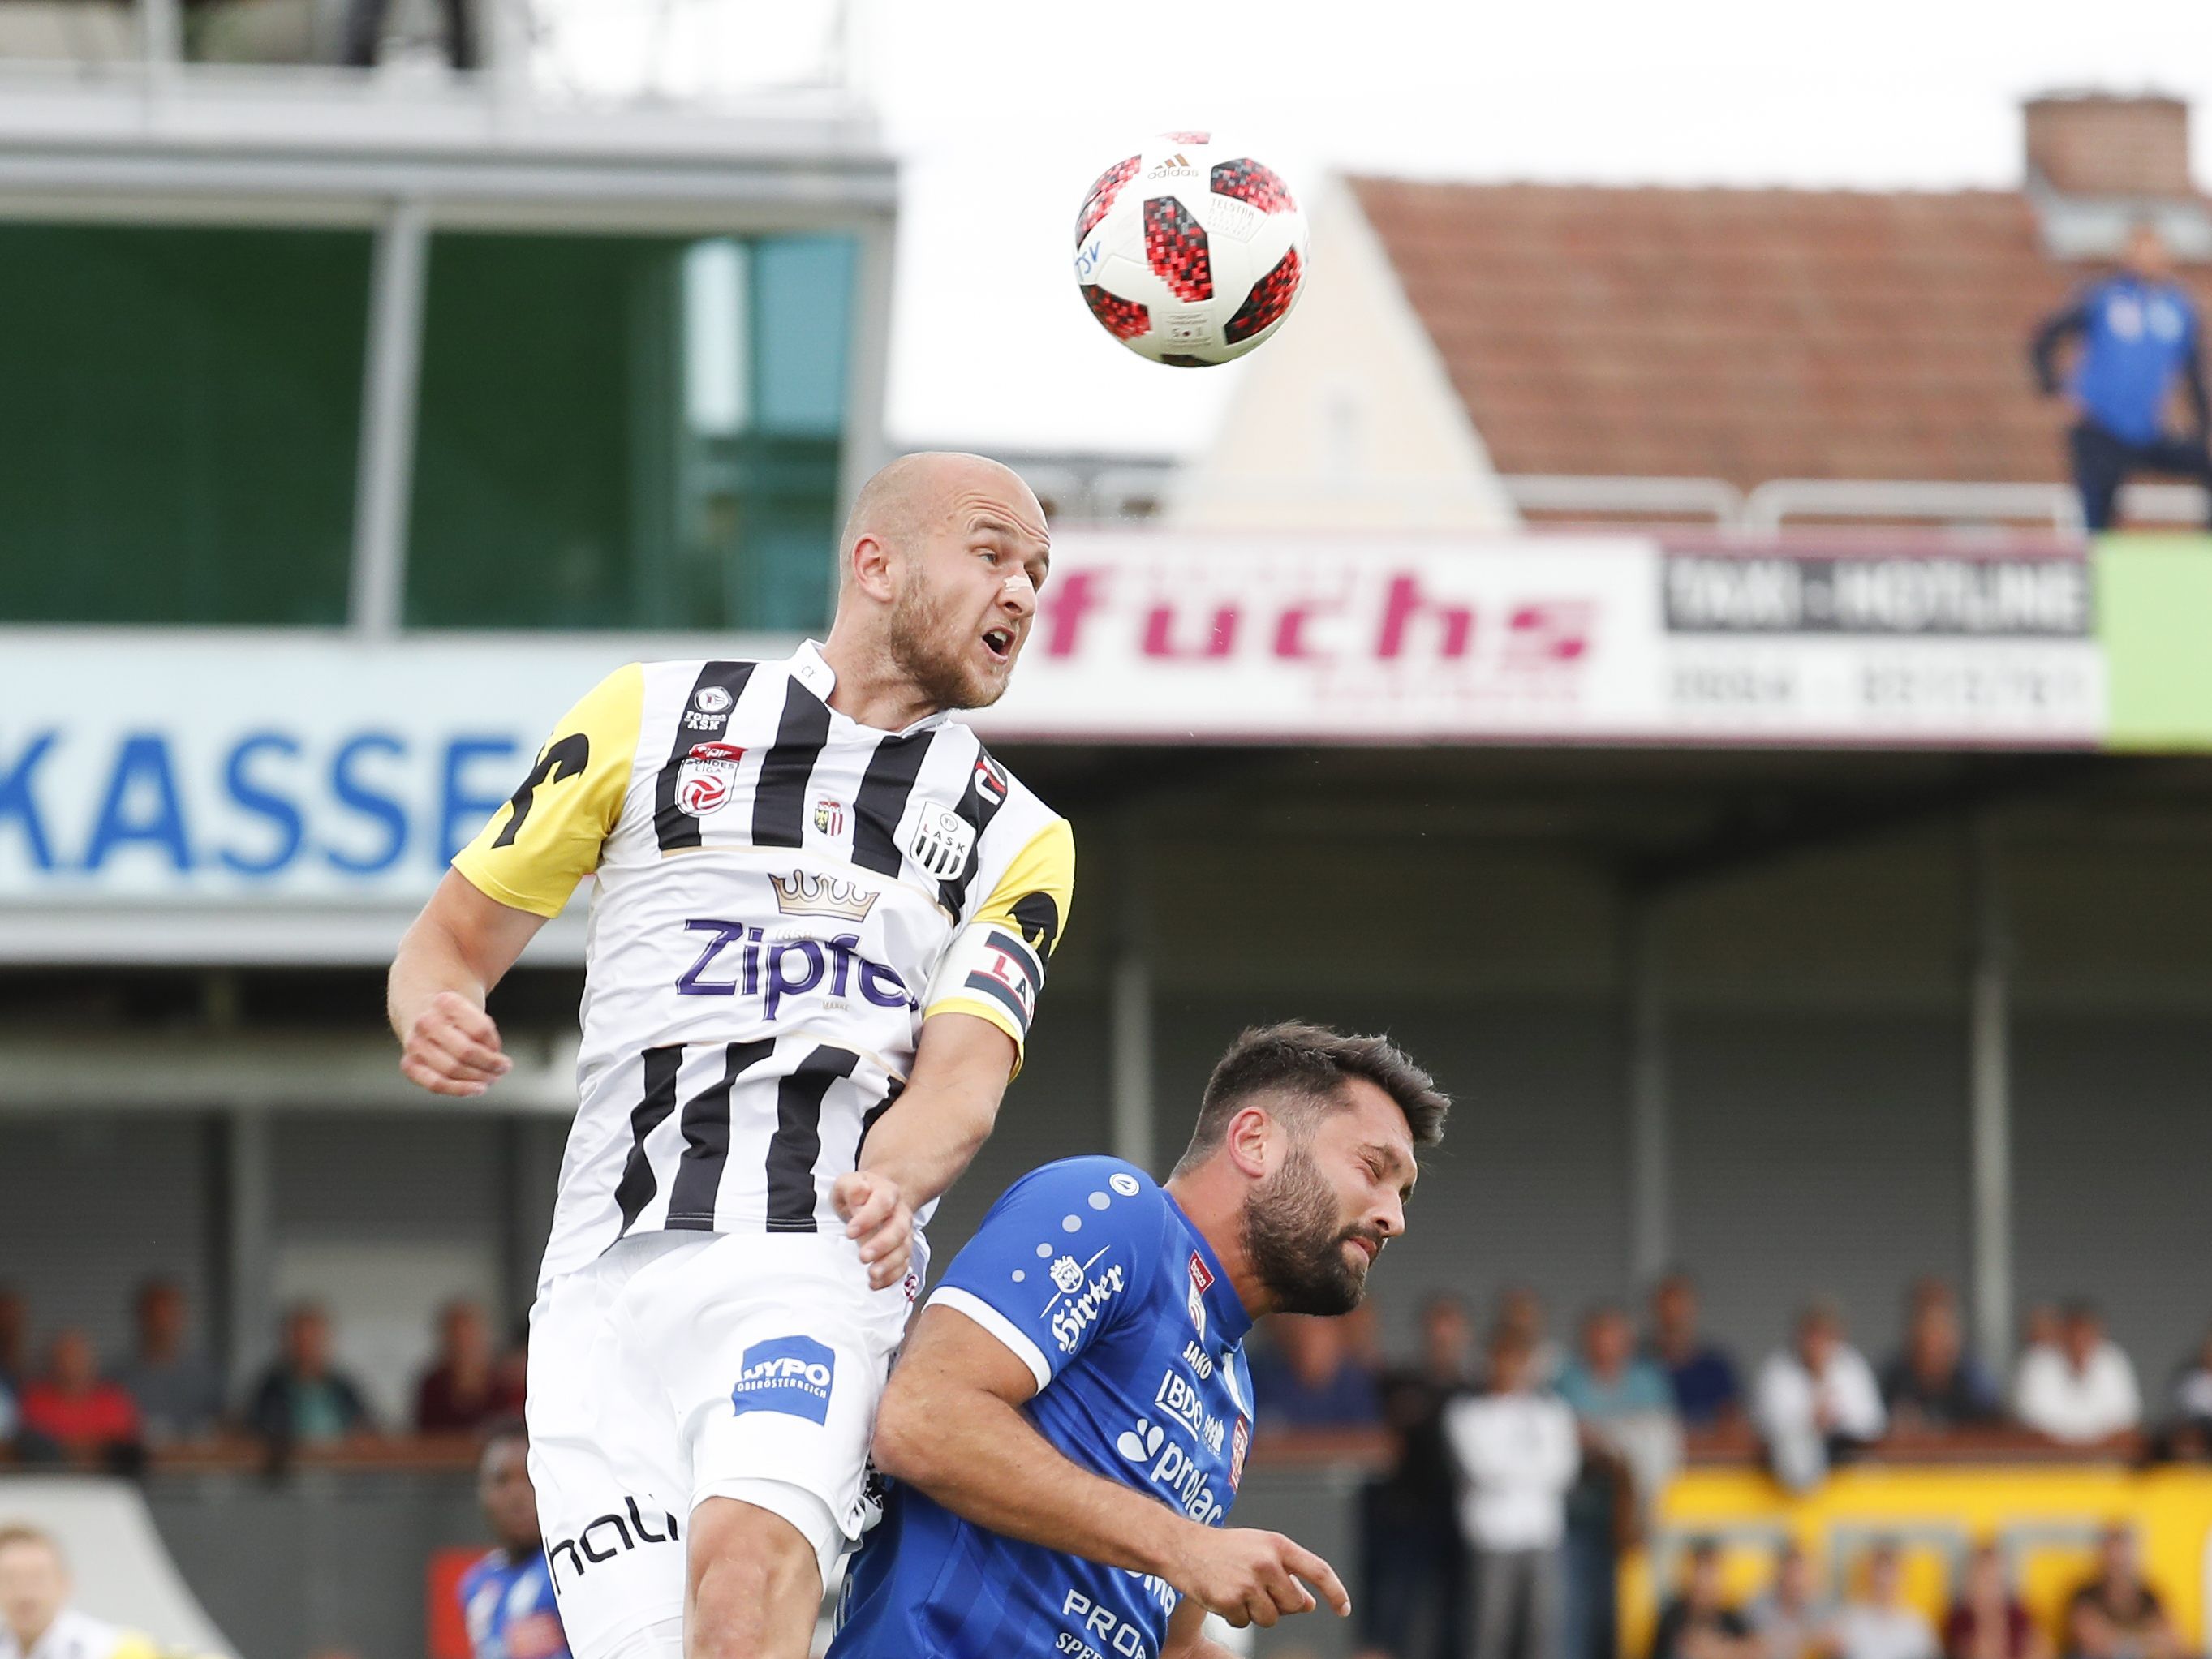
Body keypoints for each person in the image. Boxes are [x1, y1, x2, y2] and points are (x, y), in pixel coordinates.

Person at [390, 452, 1074, 1659]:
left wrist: (890, 1178)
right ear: (875, 563)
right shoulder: (650, 716)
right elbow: (448, 943)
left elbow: (961, 1079)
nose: (1021, 590)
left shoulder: (1013, 834)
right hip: (599, 1292)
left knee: (744, 1583)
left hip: (807, 1261)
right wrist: (432, 1005)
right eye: (990, 554)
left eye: (1036, 570)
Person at [829, 1022, 1450, 1658]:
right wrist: (1184, 1544)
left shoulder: (1235, 1392)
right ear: (1254, 1140)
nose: (1393, 1218)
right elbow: (920, 1418)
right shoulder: (1118, 1211)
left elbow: (1168, 1643)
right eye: (1373, 1169)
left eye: (1402, 1195)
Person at [2030, 221, 2212, 533]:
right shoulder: (2103, 296)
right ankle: (2097, 570)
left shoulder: (2178, 308)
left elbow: (2193, 375)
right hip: (2099, 427)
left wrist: (2204, 427)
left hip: (2146, 430)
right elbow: (2047, 335)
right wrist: (2054, 387)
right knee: (2099, 515)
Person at [1445, 1326, 1578, 1659]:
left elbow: (1563, 1470)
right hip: (1492, 1538)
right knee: (1488, 1635)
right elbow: (1483, 1469)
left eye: (1519, 1359)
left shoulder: (1551, 1411)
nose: (1511, 1367)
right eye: (1503, 1358)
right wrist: (1532, 1468)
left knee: (1543, 1636)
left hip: (1541, 1536)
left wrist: (1513, 1468)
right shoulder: (1467, 1413)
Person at [1556, 1306, 1681, 1659]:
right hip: (1579, 1519)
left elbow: (1661, 1441)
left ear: (1627, 1341)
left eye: (1613, 1335)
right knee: (1576, 1621)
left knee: (1627, 1622)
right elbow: (1567, 1437)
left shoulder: (1648, 1380)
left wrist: (1610, 1441)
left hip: (1632, 1525)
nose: (1605, 1344)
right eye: (1598, 1335)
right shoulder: (1568, 1379)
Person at [1357, 1294, 1475, 1659]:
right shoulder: (1398, 1383)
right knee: (1392, 1610)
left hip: (1459, 1518)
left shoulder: (1475, 1390)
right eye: (1436, 1332)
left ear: (1463, 1336)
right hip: (1403, 1517)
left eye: (1450, 1332)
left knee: (1458, 1614)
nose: (1442, 1340)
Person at [460, 1422, 572, 1659]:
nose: (516, 1497)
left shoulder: (573, 1569)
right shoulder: (475, 1584)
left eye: (531, 1477)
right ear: (482, 1491)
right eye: (502, 1481)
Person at [1754, 1303, 1886, 1489]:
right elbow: (1767, 1427)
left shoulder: (1850, 1364)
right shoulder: (1777, 1369)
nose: (1817, 1342)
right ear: (1798, 1336)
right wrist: (1810, 1419)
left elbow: (1873, 1425)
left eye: (1825, 1334)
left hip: (1846, 1471)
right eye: (1812, 1334)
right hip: (1790, 1479)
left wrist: (1835, 1419)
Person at [0, 1525, 158, 1659]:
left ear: (64, 1583)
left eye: (37, 1578)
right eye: (10, 1580)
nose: (24, 1593)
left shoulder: (115, 1650)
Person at [107, 1278, 224, 1446]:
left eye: (171, 1314)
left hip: (200, 1465)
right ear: (141, 1319)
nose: (163, 1325)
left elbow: (227, 1427)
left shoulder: (206, 1374)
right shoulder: (118, 1378)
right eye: (156, 1316)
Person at [245, 1304, 376, 1450]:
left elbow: (368, 1428)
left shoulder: (344, 1388)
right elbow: (254, 1433)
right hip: (288, 1468)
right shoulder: (269, 1390)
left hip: (342, 1466)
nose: (306, 1345)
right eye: (299, 1337)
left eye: (313, 1337)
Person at [1879, 1282, 1998, 1435]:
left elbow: (1992, 1429)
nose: (1932, 1345)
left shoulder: (1973, 1380)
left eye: (1940, 1334)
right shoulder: (1895, 1377)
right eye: (1926, 1337)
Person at [2013, 1302, 2140, 1446]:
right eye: (2073, 1334)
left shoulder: (2113, 1359)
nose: (2079, 1342)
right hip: (2048, 1463)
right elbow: (2031, 1427)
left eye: (2086, 1335)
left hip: (2104, 1461)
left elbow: (2125, 1425)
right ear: (2061, 1333)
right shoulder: (2037, 1361)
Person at [16, 1330, 142, 1471]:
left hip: (108, 1485)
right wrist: (94, 1447)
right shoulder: (35, 1399)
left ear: (91, 1361)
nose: (70, 1366)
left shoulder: (112, 1400)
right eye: (64, 1358)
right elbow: (35, 1448)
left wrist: (71, 1447)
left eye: (77, 1357)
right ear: (51, 1363)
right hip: (50, 1482)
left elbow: (125, 1449)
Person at [1246, 1314, 1382, 1430]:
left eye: (1321, 1330)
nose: (1310, 1339)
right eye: (1302, 1328)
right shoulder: (1258, 1377)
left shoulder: (1353, 1385)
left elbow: (1368, 1440)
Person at [2064, 1527, 2178, 1659]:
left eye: (2122, 1556)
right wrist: (2144, 1638)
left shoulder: (2149, 1596)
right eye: (2112, 1555)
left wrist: (2120, 1639)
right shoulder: (2085, 1595)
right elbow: (2094, 1641)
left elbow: (2171, 1640)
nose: (2117, 1562)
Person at [1649, 1275, 1741, 1430]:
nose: (1674, 1316)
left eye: (1680, 1307)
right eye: (1667, 1308)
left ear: (1693, 1309)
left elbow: (1733, 1422)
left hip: (1706, 1452)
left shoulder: (1716, 1367)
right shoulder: (1638, 1366)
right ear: (1655, 1310)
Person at [417, 1301, 522, 1434]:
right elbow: (423, 1438)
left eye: (469, 1336)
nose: (464, 1345)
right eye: (456, 1337)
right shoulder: (432, 1385)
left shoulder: (504, 1383)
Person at [1651, 1542, 1759, 1659]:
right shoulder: (1672, 1616)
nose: (1706, 1582)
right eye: (1701, 1573)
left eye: (1712, 1573)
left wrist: (1721, 1651)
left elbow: (1755, 1647)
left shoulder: (1730, 1616)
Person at [1944, 1542, 2048, 1659]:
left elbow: (2042, 1650)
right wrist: (1987, 1620)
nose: (1989, 1588)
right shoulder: (1960, 1621)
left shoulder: (2020, 1615)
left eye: (1994, 1579)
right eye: (1982, 1579)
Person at [1835, 1542, 1938, 1659]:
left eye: (1891, 1578)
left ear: (1903, 1579)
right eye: (1880, 1580)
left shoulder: (1918, 1624)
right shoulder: (1849, 1620)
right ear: (1870, 1578)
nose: (1885, 1584)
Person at [1748, 1541, 1839, 1659]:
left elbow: (1834, 1643)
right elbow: (1753, 1647)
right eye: (1792, 1572)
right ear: (1779, 1574)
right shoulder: (1758, 1608)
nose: (1797, 1581)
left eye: (1802, 1573)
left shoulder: (1820, 1607)